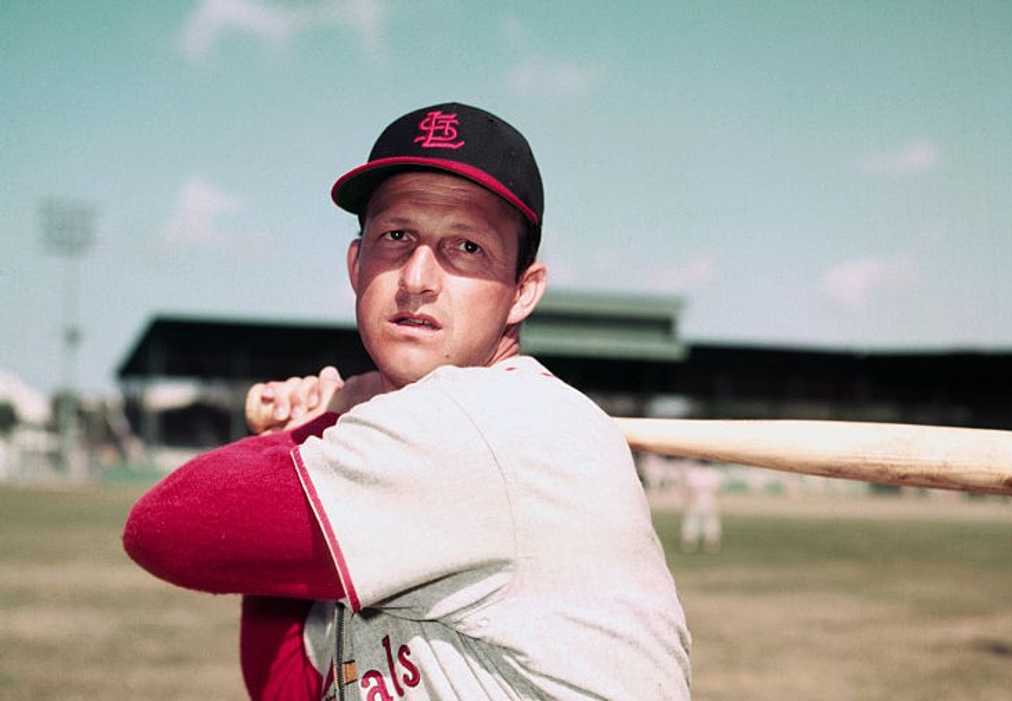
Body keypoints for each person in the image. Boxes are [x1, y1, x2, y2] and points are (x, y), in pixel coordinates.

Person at [123, 102, 691, 700]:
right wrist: (315, 428)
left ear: (523, 292)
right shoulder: (399, 439)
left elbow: (164, 529)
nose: (418, 276)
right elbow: (289, 687)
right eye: (397, 236)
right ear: (356, 263)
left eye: (466, 247)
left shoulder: (485, 423)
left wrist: (319, 421)